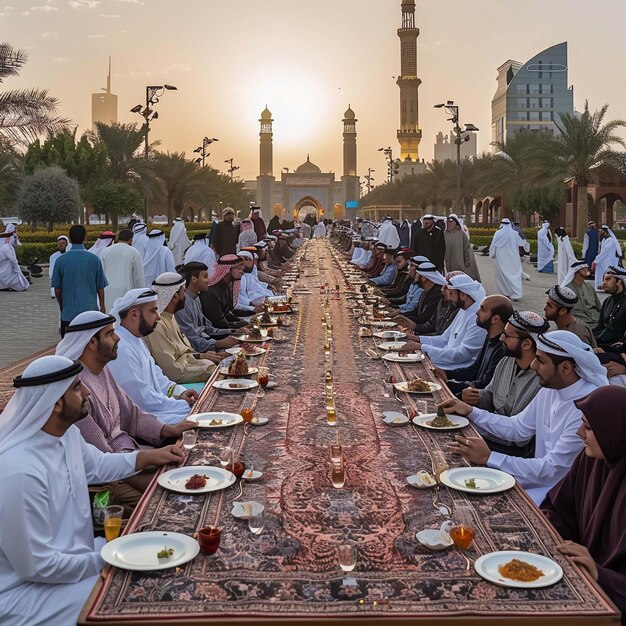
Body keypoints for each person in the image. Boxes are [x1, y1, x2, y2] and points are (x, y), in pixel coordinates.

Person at [0, 354, 184, 626]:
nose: (87, 391)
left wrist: (150, 456)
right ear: (56, 404)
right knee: (143, 595)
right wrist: (112, 557)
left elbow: (98, 464)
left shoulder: (66, 435)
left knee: (159, 562)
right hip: (25, 593)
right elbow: (38, 566)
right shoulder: (20, 470)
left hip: (77, 559)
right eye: (76, 387)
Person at [441, 330, 608, 505]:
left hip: (560, 497)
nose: (533, 366)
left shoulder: (586, 405)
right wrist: (470, 411)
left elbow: (552, 469)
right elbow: (517, 428)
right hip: (535, 480)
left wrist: (490, 457)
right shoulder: (550, 390)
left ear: (565, 368)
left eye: (541, 361)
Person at [55, 312, 195, 508]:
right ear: (92, 343)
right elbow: (102, 459)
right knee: (171, 500)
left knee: (185, 467)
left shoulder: (102, 370)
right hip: (112, 477)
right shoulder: (75, 391)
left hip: (130, 456)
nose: (118, 337)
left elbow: (131, 414)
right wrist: (152, 477)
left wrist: (166, 430)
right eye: (110, 334)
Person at [541, 386, 626, 621]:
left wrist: (600, 574)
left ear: (614, 432)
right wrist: (549, 534)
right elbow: (557, 508)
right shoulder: (592, 460)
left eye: (588, 427)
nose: (580, 433)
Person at [108, 289, 198, 424]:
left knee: (198, 412)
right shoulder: (122, 347)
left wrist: (179, 393)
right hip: (141, 418)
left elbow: (157, 375)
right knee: (196, 417)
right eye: (153, 311)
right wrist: (181, 405)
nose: (158, 317)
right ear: (134, 314)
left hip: (158, 407)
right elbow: (141, 400)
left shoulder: (136, 339)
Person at [469, 310, 547, 456]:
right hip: (490, 431)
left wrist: (471, 416)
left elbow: (519, 435)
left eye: (507, 335)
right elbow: (490, 394)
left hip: (514, 449)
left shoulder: (542, 379)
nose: (501, 339)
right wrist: (476, 397)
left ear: (526, 344)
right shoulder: (506, 361)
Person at [144, 273, 223, 383]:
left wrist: (201, 356)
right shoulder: (156, 325)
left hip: (186, 365)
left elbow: (185, 352)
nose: (186, 296)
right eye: (183, 291)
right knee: (217, 371)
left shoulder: (171, 316)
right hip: (173, 377)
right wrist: (207, 367)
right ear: (175, 296)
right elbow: (172, 371)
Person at [401, 273, 487, 369]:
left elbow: (462, 354)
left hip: (454, 369)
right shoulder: (463, 310)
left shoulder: (477, 317)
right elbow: (443, 339)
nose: (449, 298)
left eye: (451, 294)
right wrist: (415, 338)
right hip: (442, 362)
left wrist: (421, 347)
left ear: (463, 295)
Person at [434, 295, 512, 395]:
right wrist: (445, 373)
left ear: (495, 319)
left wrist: (448, 384)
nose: (477, 312)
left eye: (482, 309)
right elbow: (474, 370)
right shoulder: (489, 337)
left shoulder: (502, 348)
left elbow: (485, 383)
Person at [51, 224, 108, 336]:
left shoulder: (61, 260)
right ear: (85, 237)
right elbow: (100, 287)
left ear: (70, 239)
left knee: (68, 348)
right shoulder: (94, 259)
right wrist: (102, 306)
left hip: (68, 314)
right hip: (90, 313)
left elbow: (57, 289)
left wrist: (63, 306)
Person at [175, 262, 239, 352]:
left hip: (207, 342)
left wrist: (233, 331)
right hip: (196, 351)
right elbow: (191, 339)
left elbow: (208, 329)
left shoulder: (196, 297)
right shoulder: (181, 304)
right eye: (205, 276)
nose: (208, 280)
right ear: (194, 279)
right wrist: (219, 343)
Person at [99, 229, 145, 312]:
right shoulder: (133, 252)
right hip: (126, 292)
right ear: (131, 240)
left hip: (107, 292)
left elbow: (100, 274)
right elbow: (138, 278)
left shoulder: (105, 251)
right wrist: (141, 296)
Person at [200, 255, 250, 329]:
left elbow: (227, 314)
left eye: (242, 269)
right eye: (238, 268)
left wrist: (249, 321)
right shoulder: (210, 293)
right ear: (227, 270)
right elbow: (218, 322)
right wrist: (242, 324)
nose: (242, 272)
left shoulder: (227, 288)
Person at [489, 218, 530, 301]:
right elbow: (521, 244)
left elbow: (493, 245)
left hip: (501, 260)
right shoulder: (514, 233)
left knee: (502, 276)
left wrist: (492, 254)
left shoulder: (498, 233)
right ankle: (517, 294)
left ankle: (505, 293)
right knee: (514, 276)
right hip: (513, 259)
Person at [593, 266, 626, 349]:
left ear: (619, 281)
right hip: (600, 342)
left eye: (608, 279)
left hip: (616, 348)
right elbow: (600, 327)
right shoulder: (608, 301)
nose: (604, 283)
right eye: (604, 279)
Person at [561, 260, 602, 327]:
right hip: (579, 322)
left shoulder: (589, 286)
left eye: (587, 269)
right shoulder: (566, 289)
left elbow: (598, 306)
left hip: (596, 319)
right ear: (576, 272)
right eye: (583, 269)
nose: (587, 271)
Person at [444, 214, 480, 281]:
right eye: (448, 222)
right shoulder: (445, 234)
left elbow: (466, 247)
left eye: (451, 222)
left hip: (460, 260)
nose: (449, 224)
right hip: (448, 261)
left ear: (456, 223)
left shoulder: (461, 233)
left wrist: (467, 260)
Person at [593, 225, 623, 291]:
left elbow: (604, 252)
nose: (600, 233)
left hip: (609, 261)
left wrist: (596, 260)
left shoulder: (611, 241)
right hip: (602, 260)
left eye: (602, 231)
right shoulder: (604, 240)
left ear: (606, 232)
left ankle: (607, 288)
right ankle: (600, 287)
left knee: (607, 275)